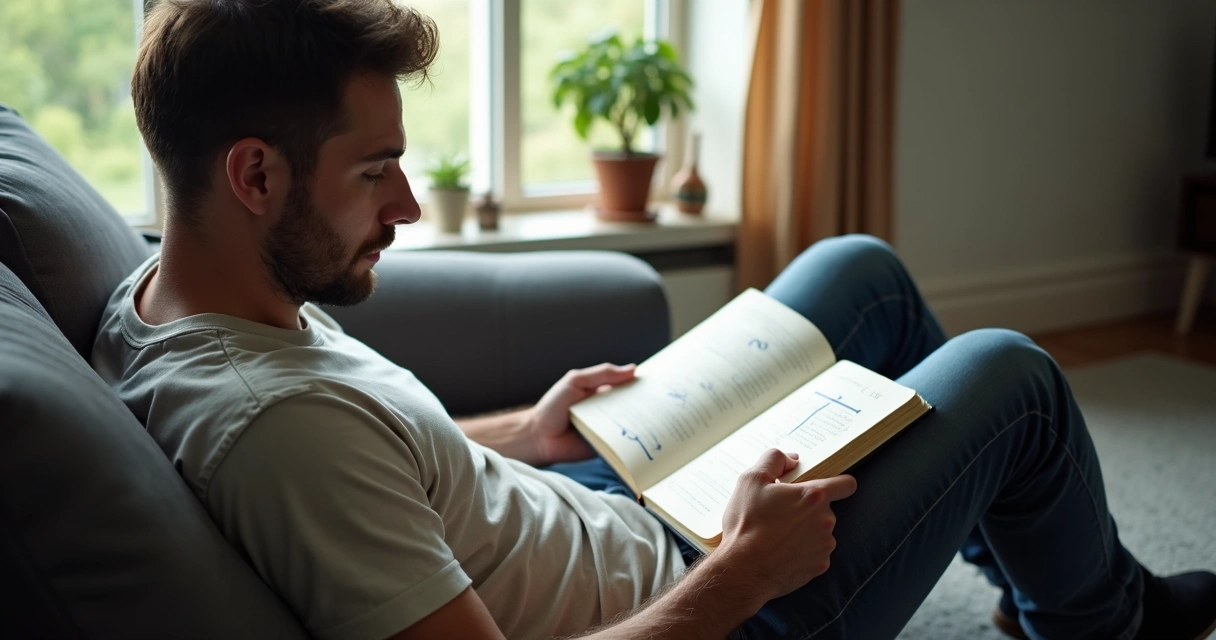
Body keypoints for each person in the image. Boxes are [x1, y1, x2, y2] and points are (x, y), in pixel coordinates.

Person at [91, 1, 1216, 639]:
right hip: (710, 602)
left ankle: (1026, 560)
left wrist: (524, 433)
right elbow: (326, 458)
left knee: (858, 272)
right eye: (374, 169)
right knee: (1011, 375)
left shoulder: (162, 303)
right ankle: (1104, 620)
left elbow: (381, 463)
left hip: (590, 499)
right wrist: (748, 567)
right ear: (255, 175)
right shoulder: (274, 428)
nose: (408, 205)